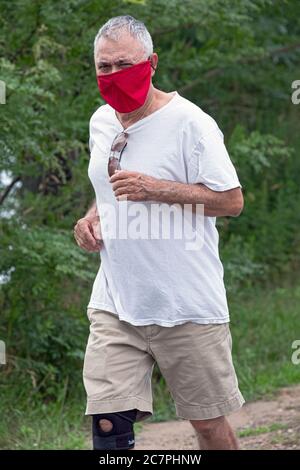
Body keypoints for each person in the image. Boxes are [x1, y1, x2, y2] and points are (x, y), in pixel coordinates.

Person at [74, 15, 245, 450]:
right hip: (117, 300)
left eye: (122, 64)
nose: (112, 75)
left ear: (150, 63)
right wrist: (93, 217)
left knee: (208, 427)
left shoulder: (192, 124)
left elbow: (230, 201)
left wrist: (156, 189)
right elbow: (106, 189)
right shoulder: (101, 121)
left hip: (184, 303)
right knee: (109, 427)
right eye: (104, 66)